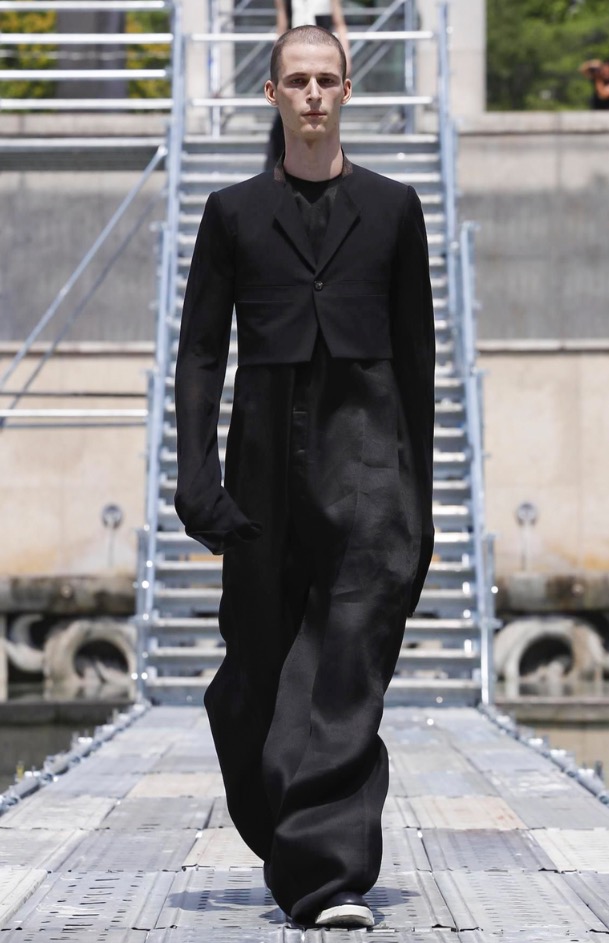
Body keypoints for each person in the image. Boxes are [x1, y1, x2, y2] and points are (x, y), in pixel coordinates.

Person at [174, 25, 435, 929]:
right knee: (256, 663)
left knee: (347, 656)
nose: (314, 94)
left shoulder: (394, 208)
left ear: (347, 90)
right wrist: (195, 475)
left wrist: (420, 500)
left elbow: (416, 360)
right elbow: (200, 353)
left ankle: (328, 874)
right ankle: (285, 825)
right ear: (273, 94)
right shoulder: (232, 212)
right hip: (261, 453)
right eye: (297, 81)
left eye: (327, 79)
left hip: (366, 444)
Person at [264, 0, 350, 171]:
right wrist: (277, 65)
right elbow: (282, 25)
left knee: (327, 126)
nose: (314, 94)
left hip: (325, 57)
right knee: (282, 129)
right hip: (294, 61)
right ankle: (273, 174)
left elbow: (339, 23)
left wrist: (345, 58)